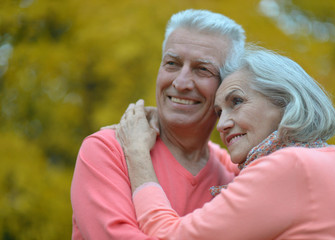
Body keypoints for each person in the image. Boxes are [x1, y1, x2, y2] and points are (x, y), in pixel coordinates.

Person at [118, 47, 335, 239]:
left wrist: (137, 152)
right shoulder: (317, 160)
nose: (222, 124)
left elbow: (168, 236)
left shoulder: (290, 166)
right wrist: (172, 130)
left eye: (236, 102)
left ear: (284, 101)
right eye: (218, 111)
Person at [70, 9, 246, 239]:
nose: (181, 82)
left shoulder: (234, 174)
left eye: (202, 69)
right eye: (172, 63)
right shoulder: (108, 150)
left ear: (228, 85)